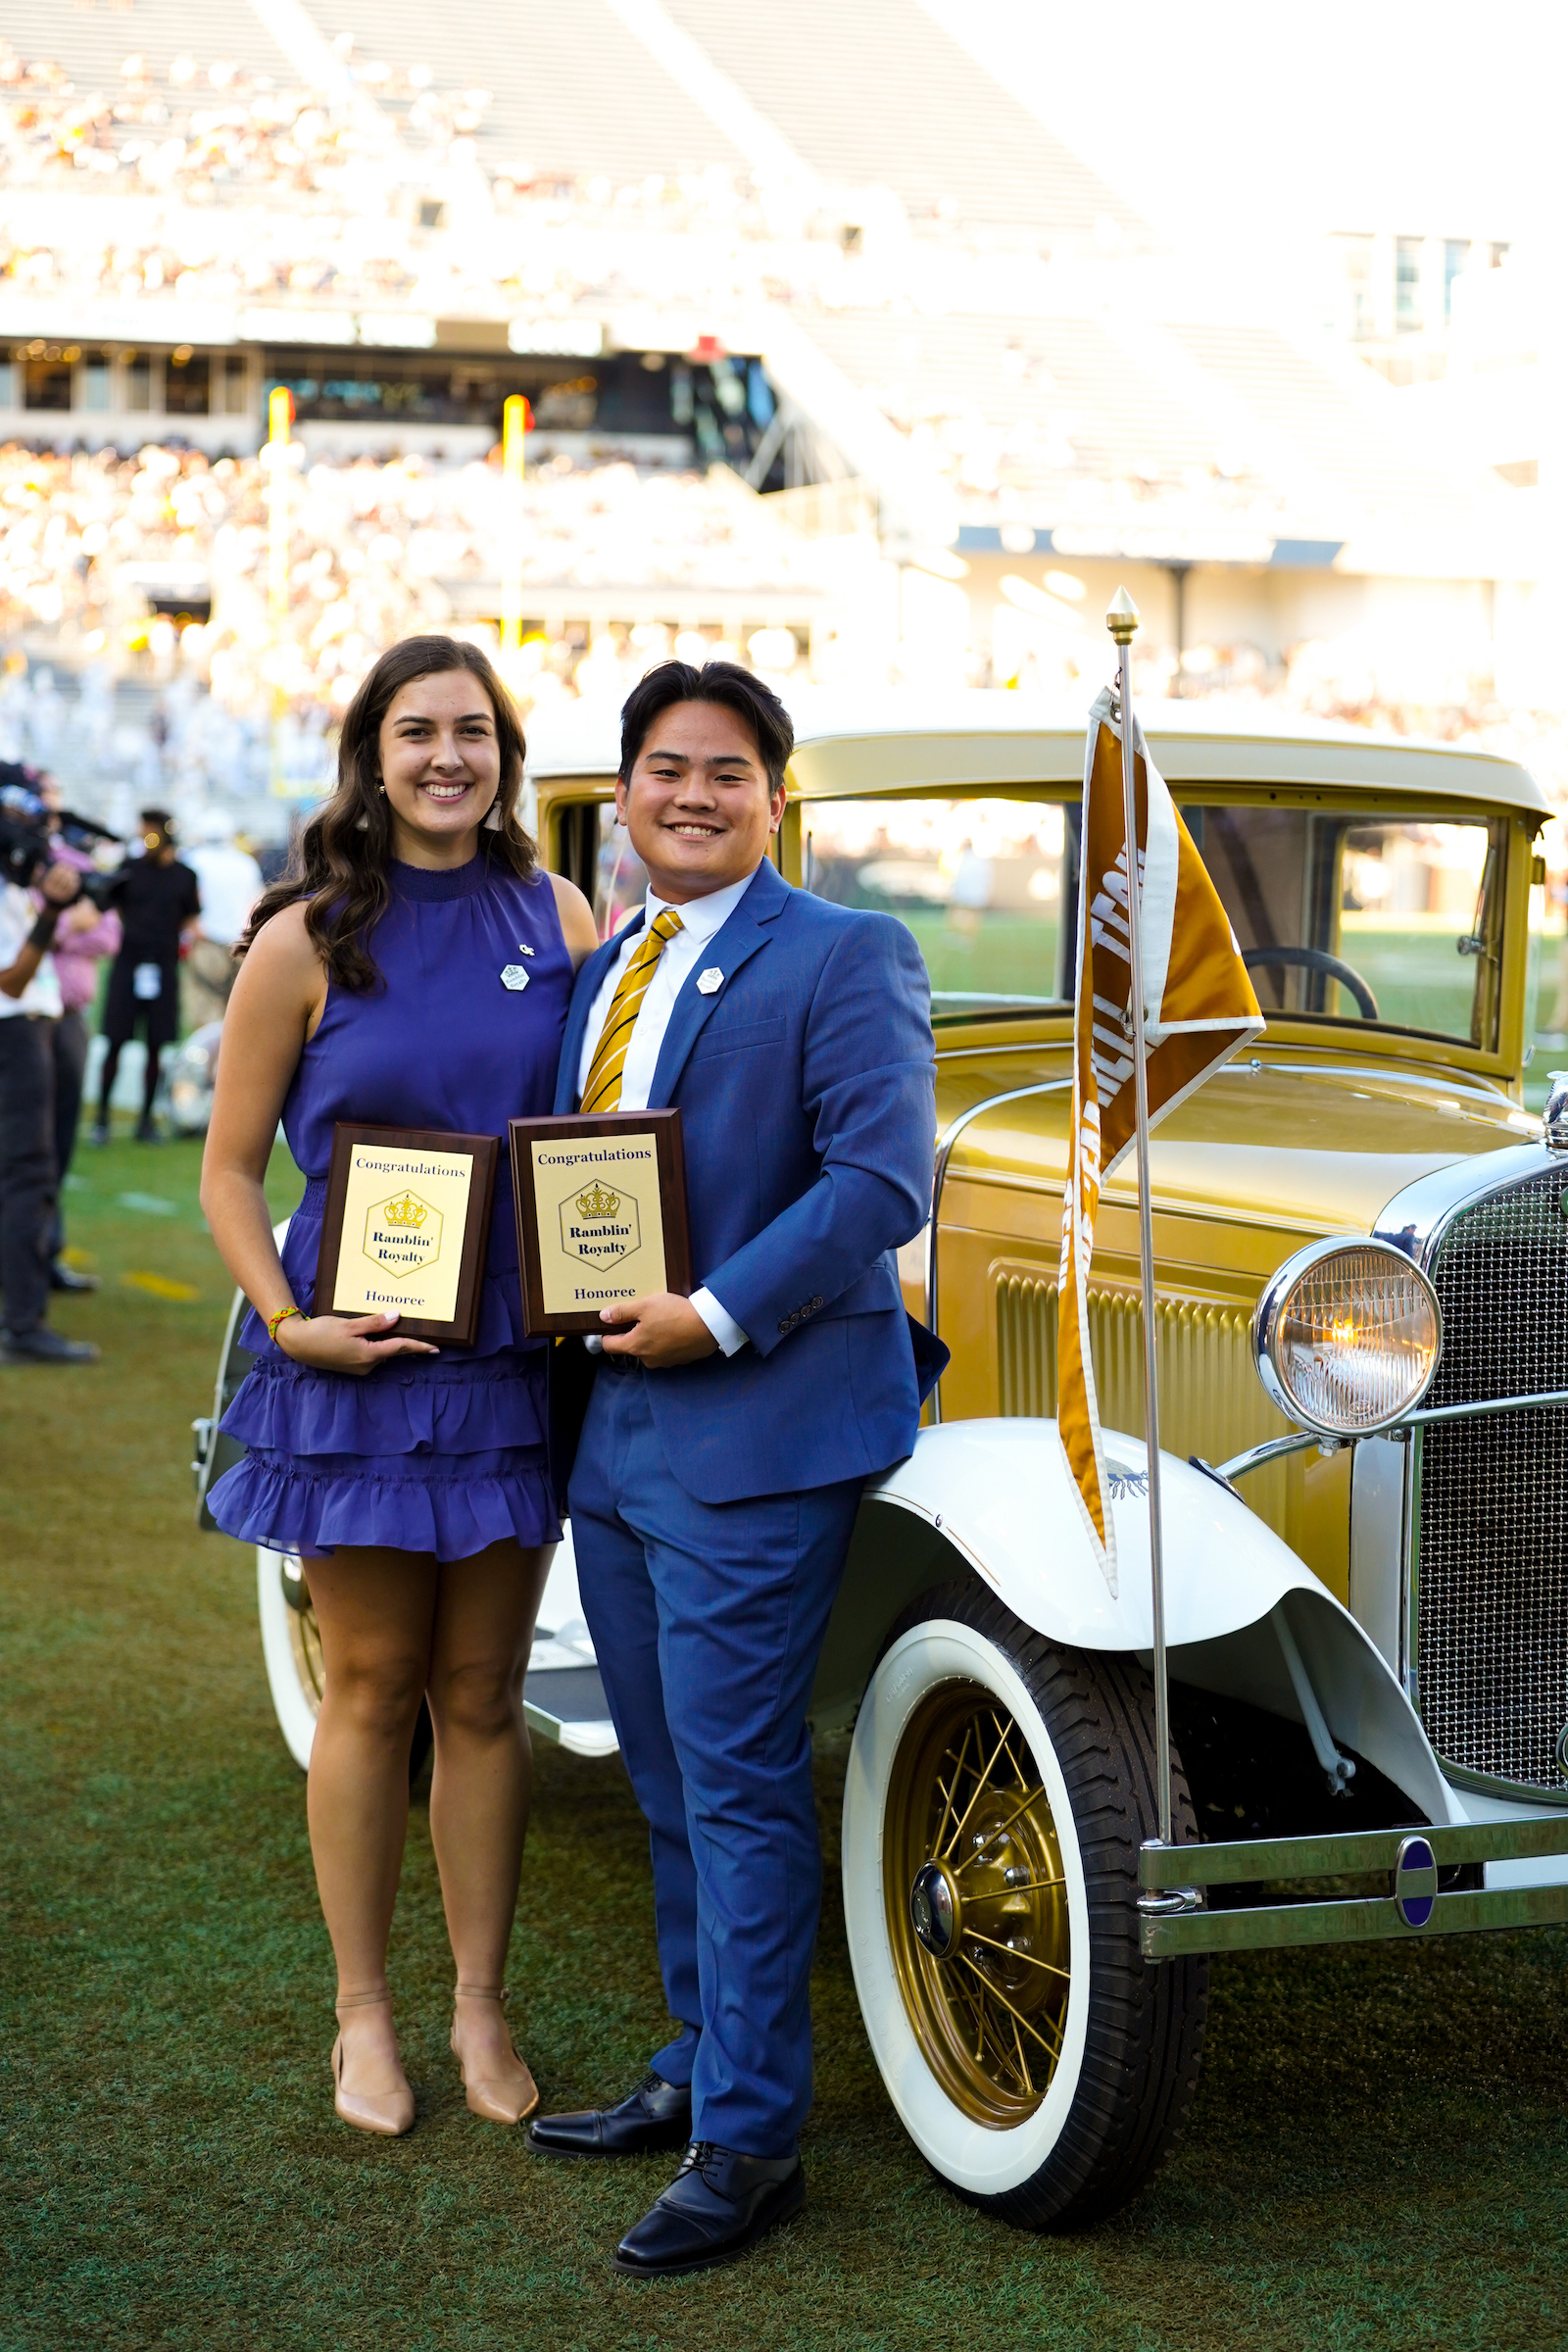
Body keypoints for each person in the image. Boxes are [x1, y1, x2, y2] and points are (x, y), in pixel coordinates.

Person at [527, 661, 944, 2278]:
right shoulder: (610, 964)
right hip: (617, 1428)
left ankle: (751, 2136)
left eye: (725, 772)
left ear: (777, 796)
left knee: (741, 1784)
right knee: (662, 1777)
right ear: (622, 793)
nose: (689, 795)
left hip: (754, 1426)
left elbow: (879, 1181)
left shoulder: (849, 952)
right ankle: (703, 2060)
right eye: (662, 770)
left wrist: (713, 1314)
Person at [200, 636, 597, 2139]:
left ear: (506, 754)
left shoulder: (556, 911)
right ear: (370, 754)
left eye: (475, 734)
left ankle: (477, 2007)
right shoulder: (303, 940)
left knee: (485, 1696)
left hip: (506, 1355)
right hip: (355, 1363)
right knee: (372, 1690)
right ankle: (364, 2020)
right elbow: (231, 1171)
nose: (448, 758)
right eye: (418, 733)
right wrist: (287, 1319)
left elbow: (594, 1136)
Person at [0, 840, 101, 1365]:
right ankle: (21, 1323)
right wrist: (53, 913)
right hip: (12, 1034)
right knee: (27, 1175)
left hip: (27, 1033)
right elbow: (12, 982)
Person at [35, 774, 119, 1291]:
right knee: (25, 1146)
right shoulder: (26, 869)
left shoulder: (80, 867)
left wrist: (59, 932)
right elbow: (30, 937)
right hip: (23, 1018)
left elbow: (109, 933)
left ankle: (44, 1255)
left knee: (58, 1143)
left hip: (69, 1019)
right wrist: (68, 925)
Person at [93, 809, 201, 1144]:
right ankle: (101, 1119)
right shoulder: (130, 867)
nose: (146, 841)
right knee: (115, 1042)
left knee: (157, 1045)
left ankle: (145, 1120)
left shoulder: (185, 875)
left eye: (151, 835)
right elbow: (110, 904)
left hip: (163, 966)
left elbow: (191, 917)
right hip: (129, 963)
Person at [181, 808, 263, 1029]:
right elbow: (256, 903)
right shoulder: (246, 863)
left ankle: (210, 1063)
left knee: (205, 1013)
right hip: (239, 943)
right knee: (237, 1014)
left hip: (206, 941)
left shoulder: (192, 861)